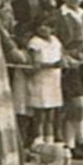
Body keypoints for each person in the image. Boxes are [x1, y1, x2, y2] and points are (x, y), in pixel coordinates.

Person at [55, 0, 83, 159]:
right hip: (70, 64)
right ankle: (80, 139)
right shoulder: (58, 16)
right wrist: (63, 56)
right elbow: (54, 39)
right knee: (76, 105)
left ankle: (73, 144)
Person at [26, 16, 64, 148]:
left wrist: (65, 62)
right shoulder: (34, 42)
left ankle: (50, 139)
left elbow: (62, 56)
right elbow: (36, 63)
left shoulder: (55, 41)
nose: (43, 28)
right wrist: (52, 65)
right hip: (40, 80)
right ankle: (38, 139)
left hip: (54, 79)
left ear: (52, 28)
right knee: (40, 113)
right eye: (40, 26)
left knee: (51, 113)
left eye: (47, 26)